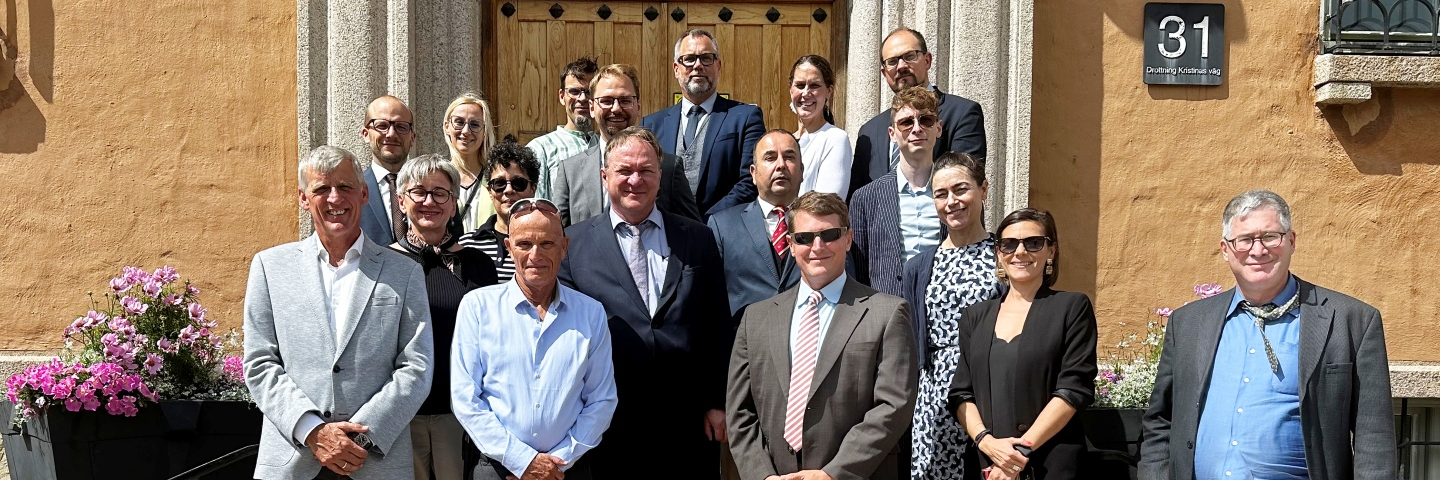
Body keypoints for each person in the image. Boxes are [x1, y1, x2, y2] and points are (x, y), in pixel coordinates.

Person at [1140, 190, 1396, 480]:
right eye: (1245, 239)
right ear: (1226, 249)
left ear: (1291, 241)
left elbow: (1374, 434)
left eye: (1270, 237)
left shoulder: (1351, 320)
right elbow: (1161, 421)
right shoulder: (1188, 323)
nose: (1258, 250)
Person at [243, 145, 434, 480]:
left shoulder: (403, 273)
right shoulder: (270, 267)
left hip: (373, 459)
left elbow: (416, 367)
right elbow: (259, 363)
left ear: (363, 194)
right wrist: (314, 431)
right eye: (321, 189)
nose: (334, 199)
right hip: (293, 459)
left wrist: (359, 437)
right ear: (303, 198)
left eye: (345, 187)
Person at [558, 126, 731, 479]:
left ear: (660, 175)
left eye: (646, 170)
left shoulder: (696, 237)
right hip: (608, 424)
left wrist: (717, 402)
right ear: (605, 177)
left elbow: (717, 323)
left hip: (687, 420)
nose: (635, 179)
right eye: (624, 170)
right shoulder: (572, 245)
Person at [726, 191, 918, 480]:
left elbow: (894, 406)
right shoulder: (755, 318)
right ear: (790, 245)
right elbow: (739, 412)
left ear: (849, 239)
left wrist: (833, 474)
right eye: (804, 238)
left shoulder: (888, 313)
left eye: (829, 234)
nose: (817, 246)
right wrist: (762, 476)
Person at [452, 197, 619, 480]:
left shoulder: (591, 313)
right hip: (498, 468)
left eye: (547, 244)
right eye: (524, 244)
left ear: (564, 247)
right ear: (509, 247)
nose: (535, 255)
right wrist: (522, 461)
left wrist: (557, 462)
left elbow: (601, 400)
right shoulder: (477, 307)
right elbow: (465, 399)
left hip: (568, 470)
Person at [948, 208, 1097, 480]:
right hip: (987, 465)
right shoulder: (975, 316)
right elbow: (961, 393)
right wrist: (987, 443)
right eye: (1008, 244)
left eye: (1033, 243)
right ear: (998, 252)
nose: (1020, 252)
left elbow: (1074, 389)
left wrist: (1018, 455)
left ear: (1051, 251)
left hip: (1050, 464)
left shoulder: (1072, 308)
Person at [386, 153, 499, 480]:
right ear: (401, 201)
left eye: (440, 193)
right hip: (400, 414)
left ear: (453, 204)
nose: (429, 201)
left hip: (458, 414)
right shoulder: (383, 264)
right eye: (418, 192)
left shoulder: (478, 265)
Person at [902, 152, 999, 480]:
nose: (951, 201)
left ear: (983, 190)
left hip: (989, 394)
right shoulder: (919, 267)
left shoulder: (1005, 255)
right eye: (941, 194)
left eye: (961, 190)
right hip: (935, 400)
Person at [551, 63, 700, 226]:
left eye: (625, 100)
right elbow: (557, 235)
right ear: (592, 108)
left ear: (638, 108)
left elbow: (691, 233)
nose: (616, 109)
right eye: (606, 101)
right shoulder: (570, 170)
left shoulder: (669, 167)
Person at [641, 28, 766, 217]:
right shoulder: (651, 124)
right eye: (689, 59)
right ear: (676, 69)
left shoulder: (745, 117)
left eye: (706, 58)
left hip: (722, 232)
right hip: (665, 233)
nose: (698, 65)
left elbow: (751, 180)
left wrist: (707, 222)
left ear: (718, 66)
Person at [850, 28, 986, 197]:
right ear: (884, 73)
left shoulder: (963, 113)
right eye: (892, 61)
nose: (901, 66)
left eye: (909, 56)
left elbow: (966, 184)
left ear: (927, 60)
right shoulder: (870, 131)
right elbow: (856, 196)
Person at [850, 86, 946, 297]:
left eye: (926, 120)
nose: (917, 129)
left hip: (944, 312)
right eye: (906, 122)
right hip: (887, 312)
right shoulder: (866, 198)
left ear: (938, 129)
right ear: (892, 134)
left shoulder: (957, 194)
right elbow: (857, 270)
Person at [708, 129, 805, 319]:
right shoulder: (722, 226)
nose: (780, 165)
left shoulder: (823, 225)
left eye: (789, 157)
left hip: (809, 341)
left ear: (802, 171)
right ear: (753, 172)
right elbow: (708, 296)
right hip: (744, 342)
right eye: (770, 158)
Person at [458, 141, 541, 283]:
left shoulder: (547, 244)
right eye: (499, 184)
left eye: (518, 183)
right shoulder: (467, 244)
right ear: (490, 191)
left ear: (533, 188)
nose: (508, 190)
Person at [527, 56, 600, 200]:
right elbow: (536, 207)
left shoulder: (607, 145)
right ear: (562, 96)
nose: (583, 98)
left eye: (589, 92)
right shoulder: (541, 149)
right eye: (574, 91)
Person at [788, 55, 852, 200]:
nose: (806, 93)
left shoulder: (835, 139)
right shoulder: (786, 141)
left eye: (814, 86)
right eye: (799, 85)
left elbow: (828, 203)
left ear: (829, 91)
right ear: (791, 90)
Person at [359, 95, 418, 243]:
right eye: (382, 126)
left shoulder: (435, 191)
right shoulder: (352, 191)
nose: (391, 134)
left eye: (401, 127)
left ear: (412, 137)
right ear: (366, 134)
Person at [442, 92, 499, 233]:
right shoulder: (439, 178)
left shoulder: (497, 180)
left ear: (484, 131)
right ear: (447, 126)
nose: (466, 131)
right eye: (459, 122)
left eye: (474, 124)